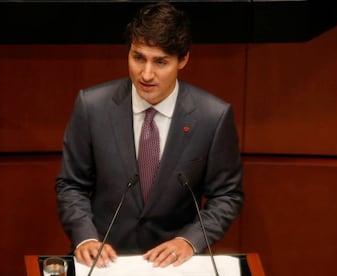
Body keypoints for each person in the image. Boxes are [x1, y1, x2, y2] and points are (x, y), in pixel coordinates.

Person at [55, 1, 243, 270]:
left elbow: (227, 195)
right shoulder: (92, 106)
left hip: (174, 266)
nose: (146, 74)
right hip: (105, 263)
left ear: (184, 59)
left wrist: (189, 241)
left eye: (160, 62)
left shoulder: (213, 116)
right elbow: (71, 185)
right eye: (138, 57)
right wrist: (85, 238)